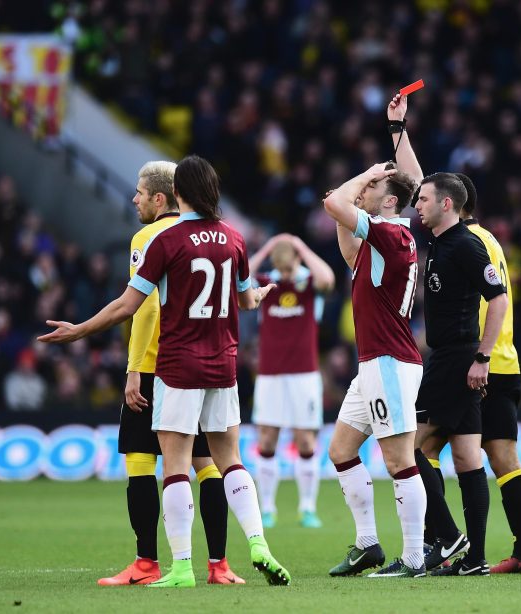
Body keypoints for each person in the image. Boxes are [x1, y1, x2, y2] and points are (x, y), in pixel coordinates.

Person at [39, 155, 290, 588]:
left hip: (178, 366)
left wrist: (79, 330)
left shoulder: (165, 241)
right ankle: (257, 543)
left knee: (174, 466)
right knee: (228, 459)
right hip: (224, 367)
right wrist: (264, 292)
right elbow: (248, 301)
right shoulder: (234, 239)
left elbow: (128, 306)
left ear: (177, 194)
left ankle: (179, 568)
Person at [97, 160, 242, 586]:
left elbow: (142, 307)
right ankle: (219, 564)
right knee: (208, 464)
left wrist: (134, 369)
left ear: (162, 197)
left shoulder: (149, 236)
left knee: (143, 462)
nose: (134, 200)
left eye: (139, 193)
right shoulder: (220, 236)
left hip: (164, 366)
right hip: (210, 365)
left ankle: (147, 564)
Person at [419, 173, 521, 574]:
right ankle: (520, 553)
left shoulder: (468, 242)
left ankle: (439, 537)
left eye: (425, 198)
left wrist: (480, 356)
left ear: (451, 203)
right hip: (501, 359)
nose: (419, 204)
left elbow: (495, 299)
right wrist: (398, 131)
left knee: (424, 448)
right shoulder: (486, 239)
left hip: (475, 361)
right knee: (494, 458)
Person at [322, 160, 428, 578]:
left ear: (388, 201)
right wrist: (351, 195)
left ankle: (415, 557)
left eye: (372, 187)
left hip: (390, 362)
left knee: (399, 459)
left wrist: (362, 174)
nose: (364, 191)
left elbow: (333, 202)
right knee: (341, 451)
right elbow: (348, 247)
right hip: (374, 364)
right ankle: (368, 545)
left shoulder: (390, 232)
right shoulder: (380, 241)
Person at [247, 233, 335, 529]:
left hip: (304, 374)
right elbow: (238, 275)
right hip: (270, 374)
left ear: (297, 261)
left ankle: (307, 508)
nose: (283, 275)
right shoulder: (265, 281)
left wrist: (300, 246)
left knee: (306, 441)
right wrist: (269, 246)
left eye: (287, 269)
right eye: (280, 269)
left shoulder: (309, 282)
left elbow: (328, 278)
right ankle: (267, 508)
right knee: (267, 439)